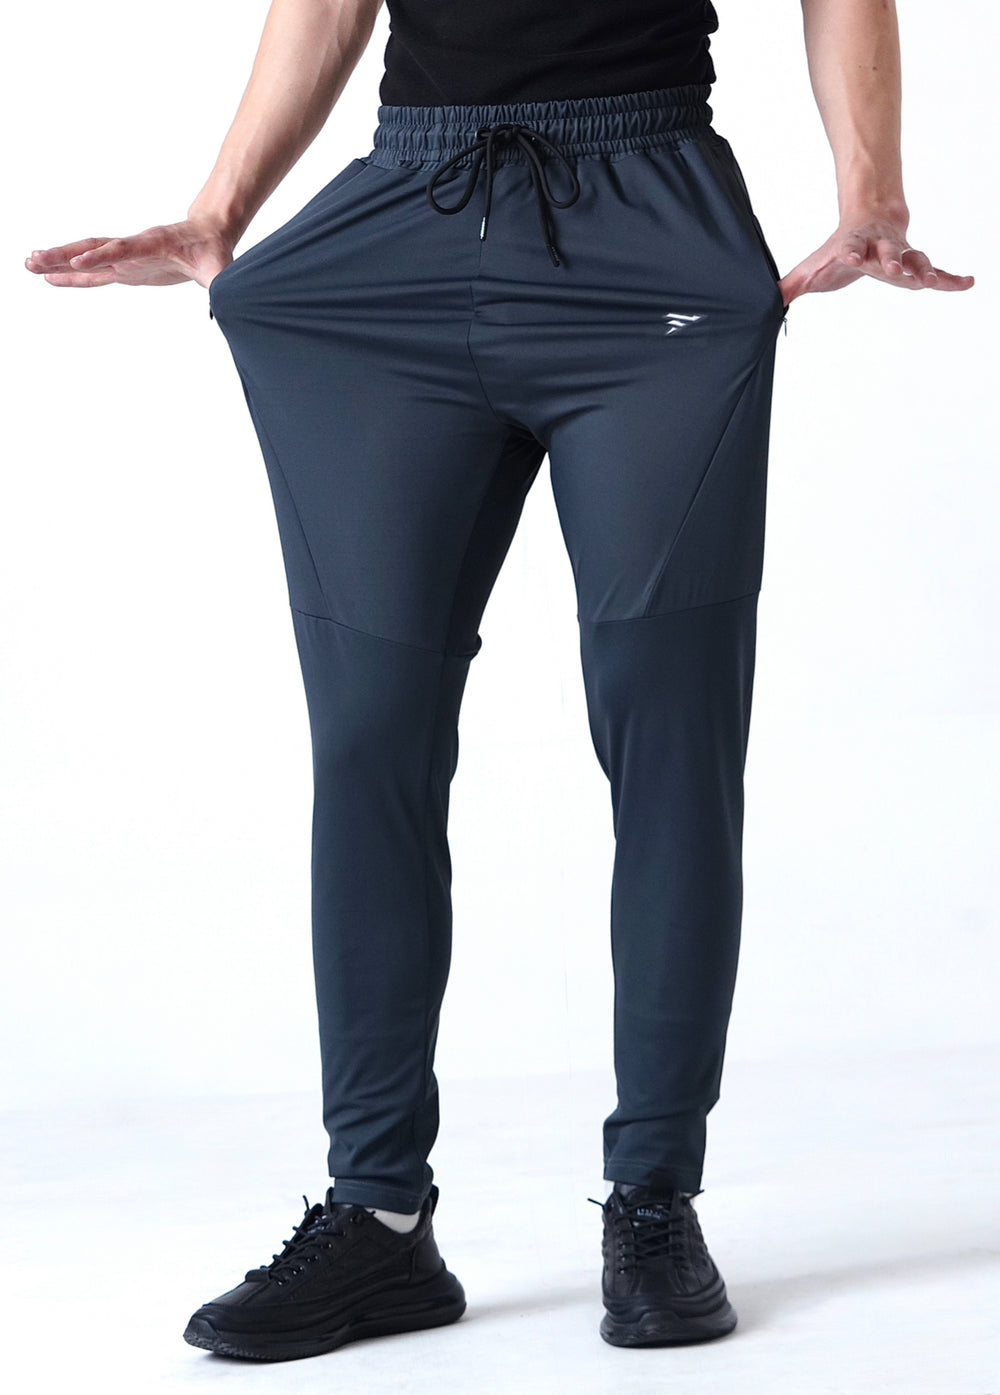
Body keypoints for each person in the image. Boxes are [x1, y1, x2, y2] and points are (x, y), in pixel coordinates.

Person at [24, 0, 974, 1362]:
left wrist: (871, 190)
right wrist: (218, 209)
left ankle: (653, 1199)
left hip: (647, 218)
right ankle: (378, 1220)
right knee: (370, 734)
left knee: (668, 727)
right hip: (401, 224)